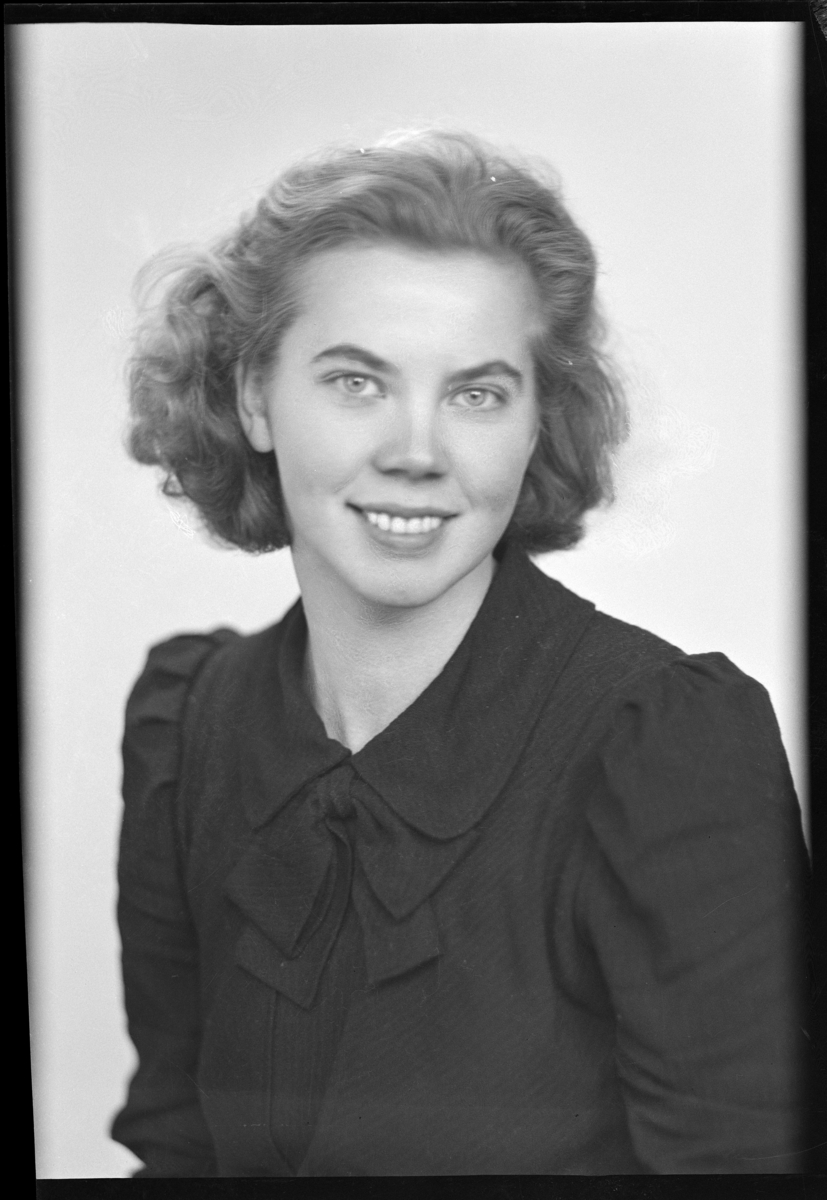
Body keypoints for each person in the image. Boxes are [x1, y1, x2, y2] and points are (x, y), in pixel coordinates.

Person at [111, 130, 810, 1176]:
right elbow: (177, 1148)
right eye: (356, 382)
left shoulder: (662, 747)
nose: (416, 452)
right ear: (255, 396)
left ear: (535, 424)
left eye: (476, 393)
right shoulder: (190, 721)